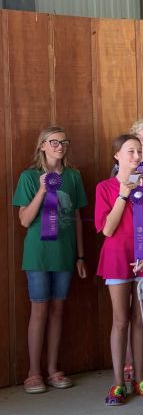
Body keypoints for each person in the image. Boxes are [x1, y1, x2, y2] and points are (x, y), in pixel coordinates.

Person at [95, 134, 143, 405]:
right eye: (130, 151)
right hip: (116, 259)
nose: (137, 156)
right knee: (120, 321)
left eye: (139, 151)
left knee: (141, 320)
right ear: (117, 155)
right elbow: (107, 228)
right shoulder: (104, 188)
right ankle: (118, 382)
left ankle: (141, 378)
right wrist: (123, 194)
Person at [12, 126, 87, 394]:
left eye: (64, 142)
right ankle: (33, 373)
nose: (59, 146)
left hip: (65, 255)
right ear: (42, 145)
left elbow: (78, 218)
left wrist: (80, 255)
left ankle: (54, 369)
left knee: (58, 311)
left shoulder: (74, 177)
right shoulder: (29, 177)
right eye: (53, 142)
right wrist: (43, 191)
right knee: (39, 310)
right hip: (38, 256)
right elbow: (24, 220)